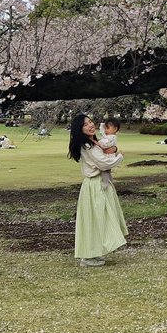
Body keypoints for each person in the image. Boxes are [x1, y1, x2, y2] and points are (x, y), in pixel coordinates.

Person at [68, 113, 128, 267]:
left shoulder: (92, 142)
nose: (90, 125)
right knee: (96, 219)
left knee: (99, 219)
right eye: (85, 124)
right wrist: (119, 157)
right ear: (79, 129)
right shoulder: (87, 146)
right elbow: (103, 164)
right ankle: (88, 256)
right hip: (95, 185)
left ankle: (95, 252)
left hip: (100, 183)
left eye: (90, 122)